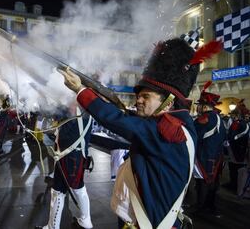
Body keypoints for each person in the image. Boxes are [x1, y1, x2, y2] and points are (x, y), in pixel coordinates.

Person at [59, 38, 221, 228]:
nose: (139, 101)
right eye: (138, 96)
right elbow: (132, 119)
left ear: (168, 102)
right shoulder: (175, 122)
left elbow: (117, 120)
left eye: (145, 96)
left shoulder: (168, 130)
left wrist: (80, 90)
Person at [35, 105, 93, 229]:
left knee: (59, 191)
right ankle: (85, 221)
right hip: (75, 156)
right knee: (77, 188)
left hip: (69, 158)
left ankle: (53, 227)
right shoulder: (86, 110)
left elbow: (48, 111)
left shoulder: (71, 108)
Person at [193, 81, 226, 214]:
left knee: (203, 183)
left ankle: (201, 207)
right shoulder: (217, 117)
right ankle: (210, 205)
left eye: (200, 105)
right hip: (216, 154)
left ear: (205, 106)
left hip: (205, 155)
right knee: (212, 182)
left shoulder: (205, 118)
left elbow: (194, 133)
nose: (198, 108)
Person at [225, 100, 249, 193]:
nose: (231, 116)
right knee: (232, 168)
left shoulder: (242, 124)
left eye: (233, 115)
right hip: (233, 148)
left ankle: (236, 186)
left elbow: (236, 136)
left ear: (237, 115)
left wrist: (229, 140)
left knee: (237, 169)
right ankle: (232, 183)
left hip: (239, 150)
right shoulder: (236, 123)